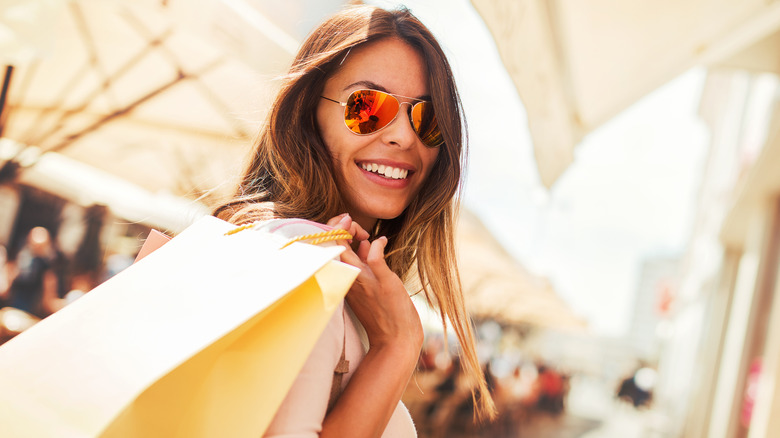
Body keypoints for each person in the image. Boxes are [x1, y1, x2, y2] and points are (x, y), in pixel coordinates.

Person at [214, 5, 496, 436]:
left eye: (428, 118)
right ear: (310, 113)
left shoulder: (327, 272)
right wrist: (398, 346)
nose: (403, 135)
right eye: (367, 107)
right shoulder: (303, 267)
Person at [3, 227, 61, 319]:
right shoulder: (22, 260)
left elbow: (48, 301)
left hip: (25, 315)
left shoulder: (45, 268)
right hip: (13, 312)